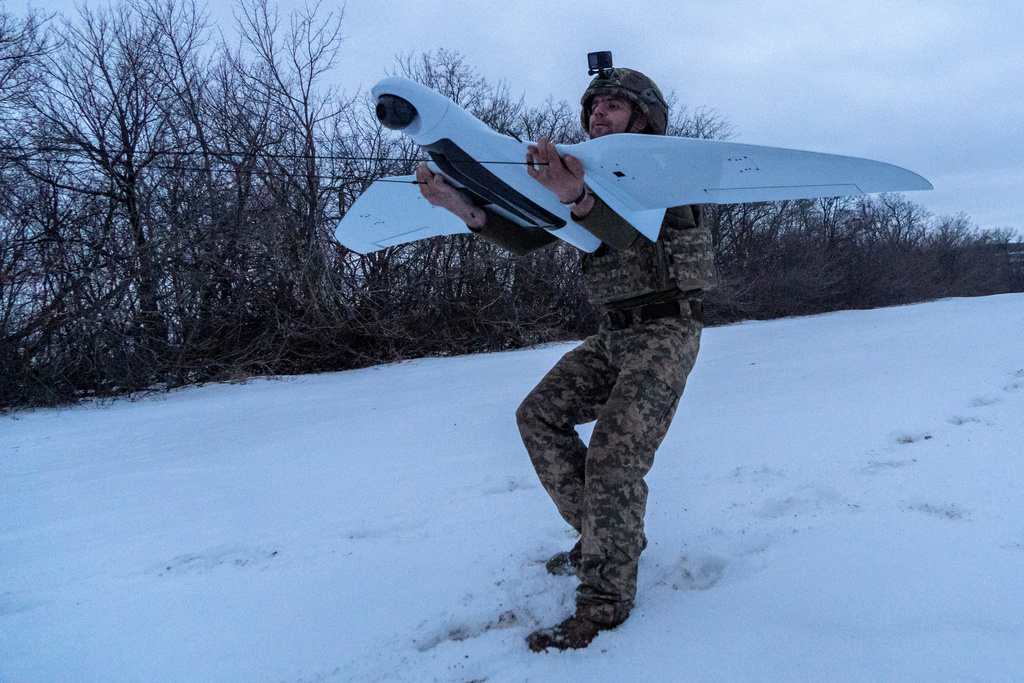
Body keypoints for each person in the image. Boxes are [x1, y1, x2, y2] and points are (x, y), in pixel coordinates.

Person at [416, 67, 715, 651]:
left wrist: (575, 193)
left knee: (613, 456)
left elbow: (633, 234)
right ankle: (604, 535)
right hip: (613, 334)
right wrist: (461, 207)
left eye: (613, 105)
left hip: (666, 331)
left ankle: (603, 604)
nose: (598, 113)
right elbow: (532, 237)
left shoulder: (673, 170)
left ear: (645, 117)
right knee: (539, 416)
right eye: (593, 105)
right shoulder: (579, 175)